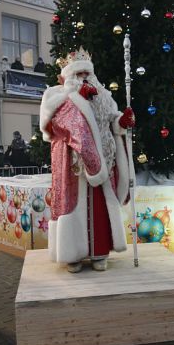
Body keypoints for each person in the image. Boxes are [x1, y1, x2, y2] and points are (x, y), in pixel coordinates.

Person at [39, 47, 134, 272]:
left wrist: (122, 123)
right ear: (68, 76)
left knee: (99, 207)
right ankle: (73, 255)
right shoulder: (57, 96)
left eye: (86, 73)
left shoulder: (104, 97)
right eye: (78, 74)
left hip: (104, 161)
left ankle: (99, 253)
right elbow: (51, 127)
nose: (83, 78)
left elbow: (113, 122)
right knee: (74, 207)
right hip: (74, 165)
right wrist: (74, 106)